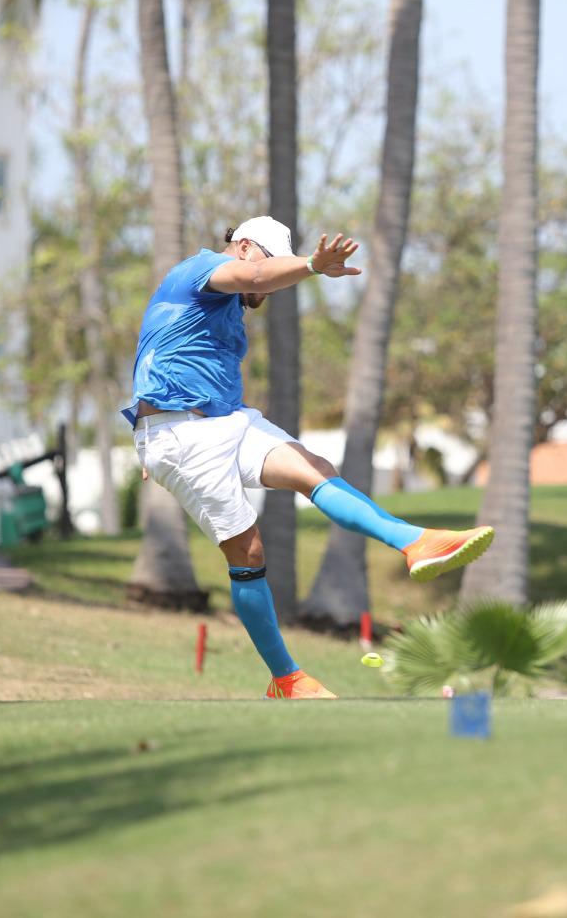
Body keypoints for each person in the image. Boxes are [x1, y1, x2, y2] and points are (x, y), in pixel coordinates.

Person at [124, 216, 494, 699]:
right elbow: (256, 278)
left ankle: (416, 543)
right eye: (269, 260)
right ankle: (287, 679)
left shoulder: (229, 310)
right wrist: (313, 266)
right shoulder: (200, 270)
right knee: (248, 553)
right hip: (178, 433)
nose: (270, 282)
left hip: (225, 421)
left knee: (314, 469)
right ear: (243, 248)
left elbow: (254, 286)